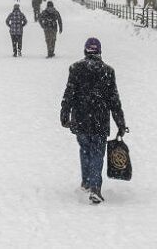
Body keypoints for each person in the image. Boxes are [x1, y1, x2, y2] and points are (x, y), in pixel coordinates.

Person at [60, 38, 127, 204]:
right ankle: (95, 187)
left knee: (85, 149)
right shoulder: (107, 71)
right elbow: (114, 100)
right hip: (100, 120)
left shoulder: (76, 69)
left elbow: (69, 94)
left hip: (81, 119)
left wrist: (65, 113)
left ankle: (86, 182)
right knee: (97, 152)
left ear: (85, 51)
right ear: (99, 52)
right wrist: (120, 123)